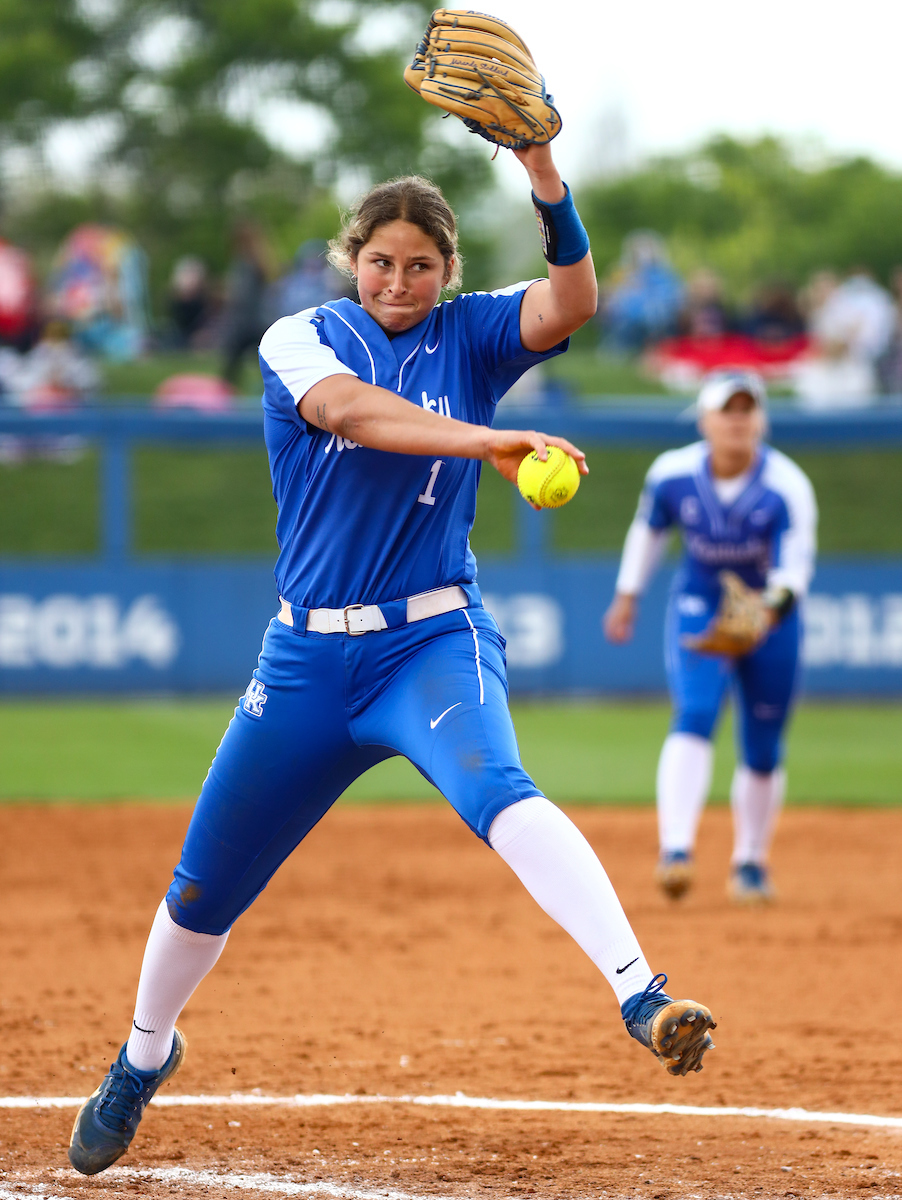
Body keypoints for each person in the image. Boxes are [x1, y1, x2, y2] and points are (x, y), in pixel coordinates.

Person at [68, 145, 716, 1178]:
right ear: (349, 258)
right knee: (203, 885)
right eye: (379, 260)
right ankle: (143, 1057)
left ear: (447, 271)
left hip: (430, 640)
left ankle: (642, 994)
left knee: (496, 786)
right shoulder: (300, 337)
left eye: (420, 265)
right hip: (306, 663)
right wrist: (484, 444)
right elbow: (348, 414)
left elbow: (572, 303)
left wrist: (543, 174)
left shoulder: (470, 333)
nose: (397, 282)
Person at [604, 370, 817, 904]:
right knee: (695, 715)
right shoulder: (673, 473)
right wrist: (628, 596)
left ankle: (750, 862)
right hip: (700, 605)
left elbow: (795, 568)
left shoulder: (787, 485)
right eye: (728, 410)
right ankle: (675, 851)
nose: (738, 420)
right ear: (704, 419)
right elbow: (647, 533)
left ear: (761, 420)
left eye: (748, 410)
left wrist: (766, 612)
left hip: (770, 618)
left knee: (764, 743)